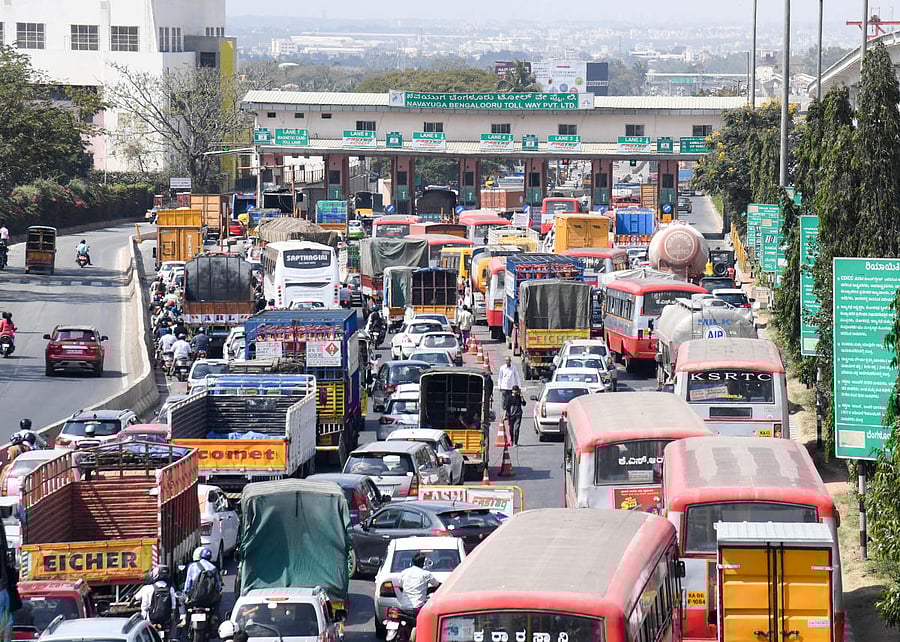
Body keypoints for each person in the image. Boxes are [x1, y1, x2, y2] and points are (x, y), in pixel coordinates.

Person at [138, 565, 183, 640]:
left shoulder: (148, 588)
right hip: (166, 620)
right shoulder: (170, 589)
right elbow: (174, 607)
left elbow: (142, 603)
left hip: (151, 619)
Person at [184, 546, 222, 615]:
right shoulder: (213, 568)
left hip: (194, 597)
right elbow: (218, 587)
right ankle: (214, 616)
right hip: (209, 599)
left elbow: (188, 583)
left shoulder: (192, 566)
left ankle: (185, 618)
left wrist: (187, 594)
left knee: (184, 604)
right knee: (219, 597)